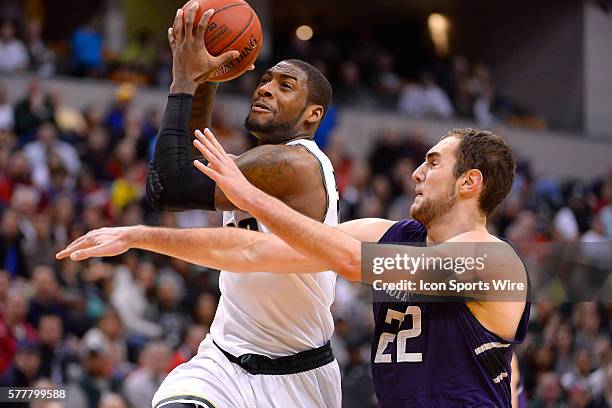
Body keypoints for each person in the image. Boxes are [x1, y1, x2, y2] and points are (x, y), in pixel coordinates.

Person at [58, 127, 530, 407]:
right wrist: (140, 236)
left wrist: (251, 197)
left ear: (470, 182)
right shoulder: (390, 232)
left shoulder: (493, 262)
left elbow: (350, 262)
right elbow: (252, 253)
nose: (416, 173)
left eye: (433, 163)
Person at [62, 3, 339, 408]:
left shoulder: (293, 163)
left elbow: (168, 186)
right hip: (222, 360)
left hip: (297, 375)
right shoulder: (257, 164)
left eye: (285, 85)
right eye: (264, 79)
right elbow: (180, 172)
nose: (265, 88)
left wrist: (184, 78)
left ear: (313, 113)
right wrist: (210, 76)